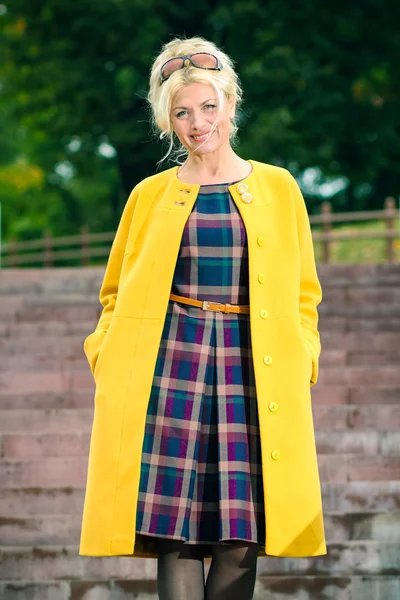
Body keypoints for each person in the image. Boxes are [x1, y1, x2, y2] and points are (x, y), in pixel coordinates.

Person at [79, 36, 327, 600]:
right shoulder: (147, 195)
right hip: (172, 370)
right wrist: (105, 352)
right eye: (182, 112)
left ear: (231, 105)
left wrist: (304, 355)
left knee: (241, 536)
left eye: (207, 107)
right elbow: (114, 292)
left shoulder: (279, 187)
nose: (197, 123)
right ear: (168, 121)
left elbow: (304, 293)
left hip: (251, 369)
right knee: (177, 534)